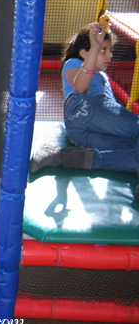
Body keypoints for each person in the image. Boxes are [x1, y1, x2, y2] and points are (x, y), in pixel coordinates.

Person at [30, 21, 139, 201]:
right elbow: (80, 88)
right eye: (103, 50)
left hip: (79, 132)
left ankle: (61, 156)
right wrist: (95, 48)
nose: (109, 55)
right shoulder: (73, 64)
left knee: (133, 154)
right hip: (86, 107)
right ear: (84, 53)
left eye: (109, 50)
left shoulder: (102, 76)